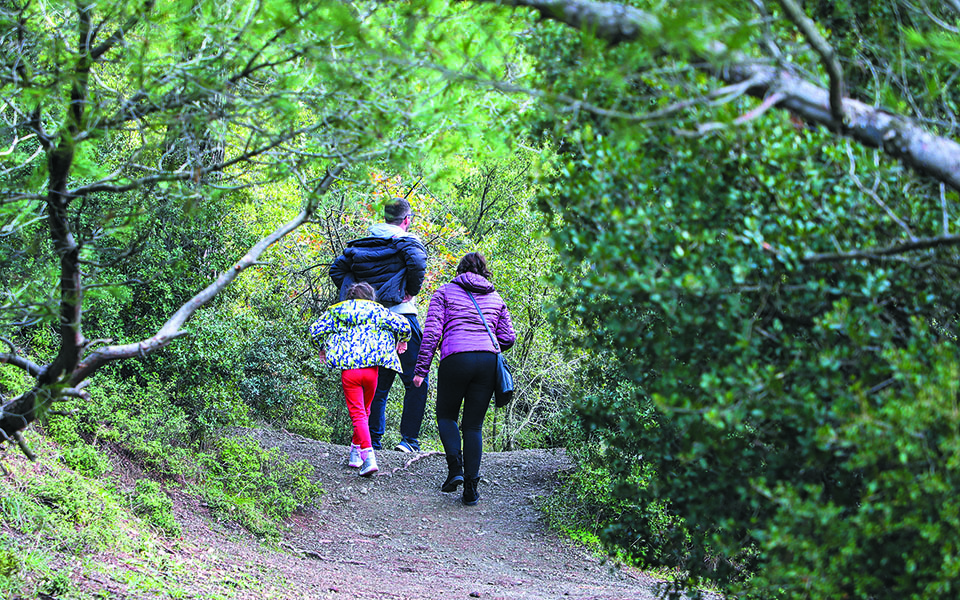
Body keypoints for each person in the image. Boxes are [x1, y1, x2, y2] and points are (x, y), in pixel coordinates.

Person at [413, 252, 515, 506]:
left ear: (460, 270)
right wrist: (484, 344)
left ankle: (455, 470)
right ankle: (471, 488)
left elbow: (432, 332)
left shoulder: (445, 291)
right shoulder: (495, 297)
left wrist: (420, 370)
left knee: (446, 416)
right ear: (485, 271)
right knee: (473, 426)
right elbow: (509, 337)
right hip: (487, 361)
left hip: (456, 358)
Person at [330, 197, 429, 453]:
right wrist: (408, 290)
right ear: (406, 220)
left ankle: (372, 441)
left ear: (385, 217)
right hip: (402, 316)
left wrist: (360, 298)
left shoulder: (363, 245)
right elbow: (417, 263)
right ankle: (409, 440)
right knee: (416, 380)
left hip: (372, 323)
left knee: (379, 383)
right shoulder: (407, 242)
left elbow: (336, 271)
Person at [309, 282, 411, 477]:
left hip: (350, 372)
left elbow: (315, 331)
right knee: (364, 412)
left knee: (358, 415)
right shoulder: (378, 311)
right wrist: (402, 340)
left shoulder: (338, 311)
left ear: (350, 297)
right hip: (372, 371)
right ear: (371, 296)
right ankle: (356, 454)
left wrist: (322, 347)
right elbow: (404, 325)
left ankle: (369, 456)